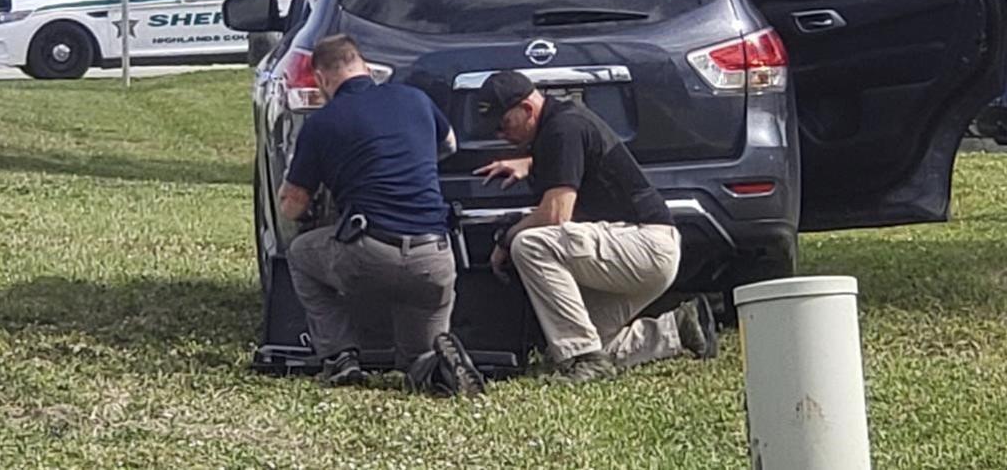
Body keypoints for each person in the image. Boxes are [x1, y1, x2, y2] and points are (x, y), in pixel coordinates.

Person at [473, 71, 718, 383]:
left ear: (527, 108)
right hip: (641, 249)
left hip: (644, 244)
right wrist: (531, 162)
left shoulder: (564, 128)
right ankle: (678, 328)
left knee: (530, 244)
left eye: (503, 123)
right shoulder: (560, 125)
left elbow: (555, 215)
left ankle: (585, 359)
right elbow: (576, 156)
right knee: (573, 341)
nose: (499, 134)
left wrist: (506, 237)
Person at [278, 34, 484, 396]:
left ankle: (341, 357)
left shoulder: (322, 124)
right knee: (416, 362)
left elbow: (293, 205)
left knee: (301, 254)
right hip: (434, 256)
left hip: (370, 252)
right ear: (365, 67)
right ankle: (438, 365)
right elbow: (449, 145)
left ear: (323, 79)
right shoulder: (415, 99)